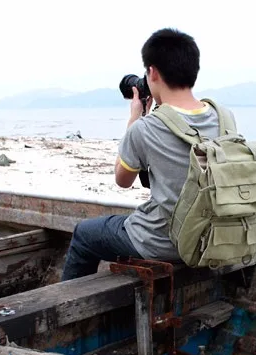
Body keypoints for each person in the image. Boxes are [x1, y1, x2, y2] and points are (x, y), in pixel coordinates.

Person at [60, 28, 235, 281]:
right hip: (214, 236)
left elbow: (123, 180)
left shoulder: (146, 127)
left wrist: (134, 117)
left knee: (84, 234)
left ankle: (69, 310)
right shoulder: (224, 117)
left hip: (164, 242)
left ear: (152, 72)